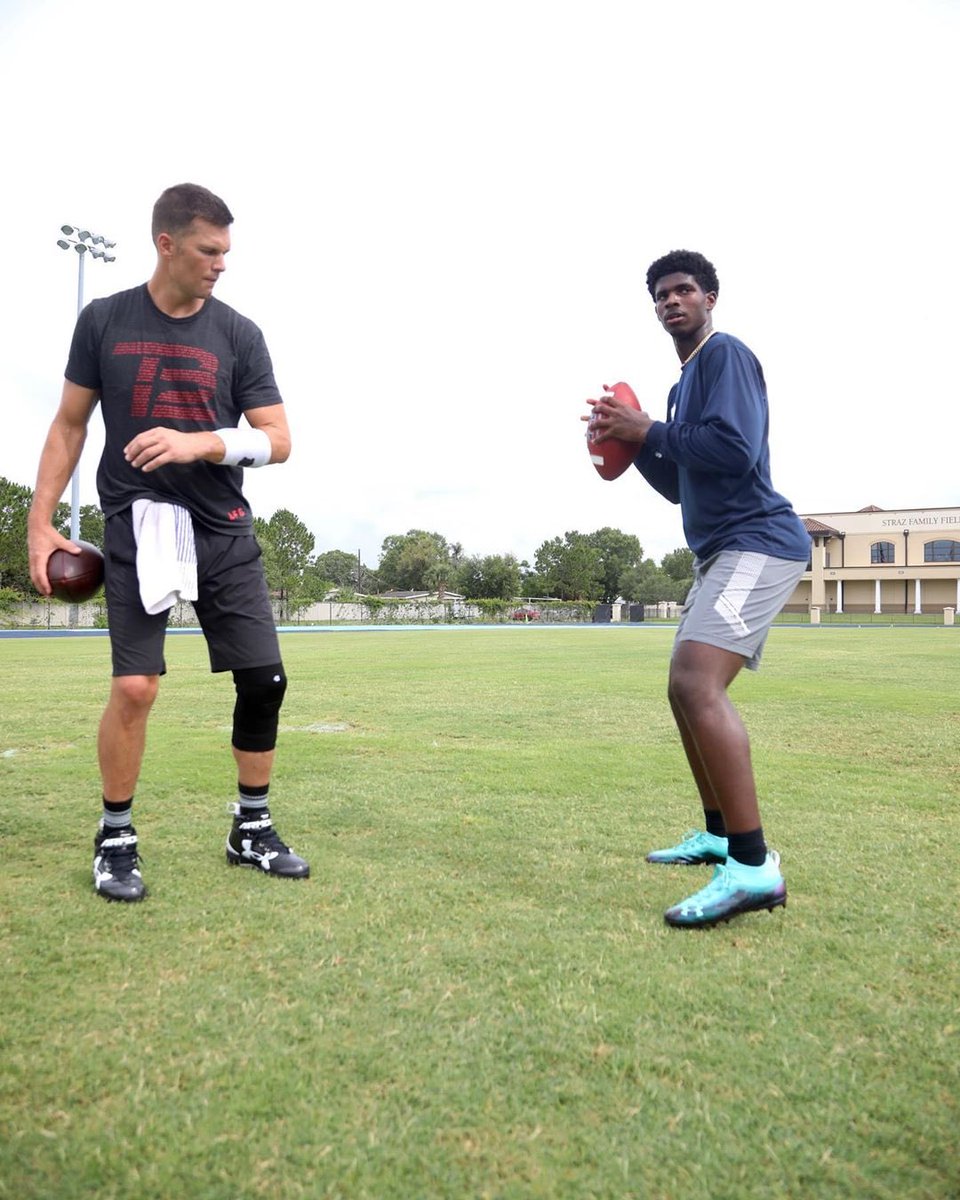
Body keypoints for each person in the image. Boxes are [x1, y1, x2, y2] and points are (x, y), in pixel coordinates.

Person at [28, 183, 309, 902]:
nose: (222, 264)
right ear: (168, 244)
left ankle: (250, 828)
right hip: (137, 524)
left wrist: (202, 443)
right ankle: (115, 836)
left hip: (223, 527)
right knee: (134, 686)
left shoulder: (239, 334)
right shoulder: (104, 321)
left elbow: (279, 442)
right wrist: (40, 521)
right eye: (210, 251)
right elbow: (69, 425)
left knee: (264, 682)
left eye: (226, 252)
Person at [584, 249, 810, 928]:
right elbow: (685, 482)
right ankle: (717, 833)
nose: (672, 301)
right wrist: (634, 446)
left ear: (710, 297)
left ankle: (752, 868)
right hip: (719, 552)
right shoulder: (683, 386)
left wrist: (648, 428)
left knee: (694, 682)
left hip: (758, 540)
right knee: (681, 689)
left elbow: (735, 450)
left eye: (684, 290)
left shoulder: (724, 356)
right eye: (661, 294)